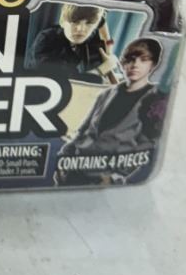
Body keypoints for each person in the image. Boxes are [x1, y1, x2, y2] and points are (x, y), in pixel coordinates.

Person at [55, 37, 166, 181]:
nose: (135, 65)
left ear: (153, 64)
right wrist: (63, 158)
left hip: (106, 175)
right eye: (130, 60)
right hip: (75, 166)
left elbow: (148, 144)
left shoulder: (155, 99)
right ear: (123, 63)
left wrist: (116, 176)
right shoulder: (106, 94)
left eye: (143, 60)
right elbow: (83, 130)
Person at [30, 4, 121, 88]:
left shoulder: (89, 36)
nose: (81, 29)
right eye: (75, 22)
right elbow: (66, 83)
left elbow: (102, 21)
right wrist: (104, 68)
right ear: (62, 22)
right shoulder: (46, 40)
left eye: (89, 23)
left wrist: (109, 52)